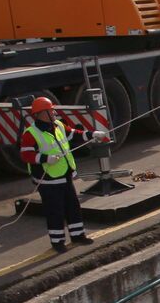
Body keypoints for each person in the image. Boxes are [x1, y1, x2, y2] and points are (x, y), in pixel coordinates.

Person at [19, 97, 108, 253]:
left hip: (64, 176)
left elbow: (74, 134)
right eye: (51, 110)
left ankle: (78, 235)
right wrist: (46, 159)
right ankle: (57, 242)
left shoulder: (58, 125)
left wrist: (93, 134)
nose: (54, 112)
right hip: (48, 180)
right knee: (55, 211)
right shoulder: (30, 133)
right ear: (41, 113)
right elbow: (26, 156)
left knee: (73, 207)